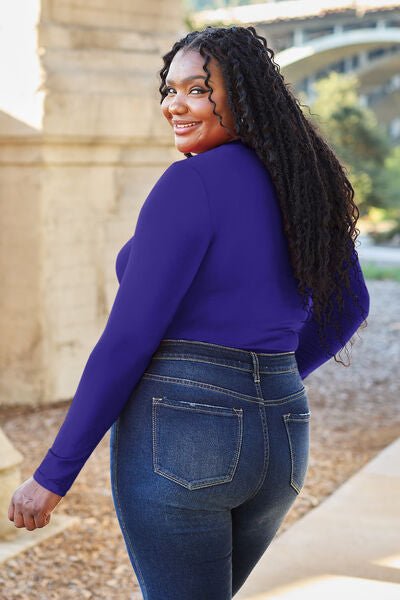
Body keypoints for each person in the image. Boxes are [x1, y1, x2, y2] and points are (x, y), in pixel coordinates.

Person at [8, 25, 369, 599]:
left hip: (185, 437)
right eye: (170, 89)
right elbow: (351, 305)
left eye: (197, 90)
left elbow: (127, 341)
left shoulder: (190, 183)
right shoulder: (306, 184)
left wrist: (53, 475)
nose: (174, 105)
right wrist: (263, 384)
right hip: (283, 436)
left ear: (243, 97)